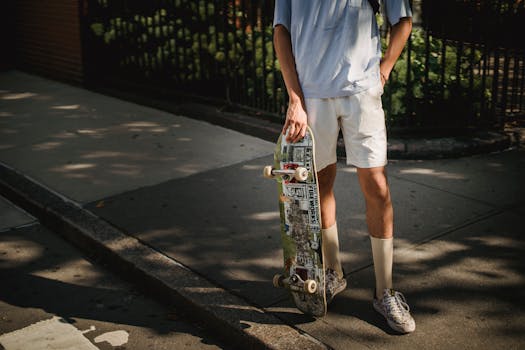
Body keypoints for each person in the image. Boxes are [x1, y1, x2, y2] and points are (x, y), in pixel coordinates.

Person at [273, 0, 415, 333]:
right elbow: (282, 31)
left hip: (361, 92)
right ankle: (334, 273)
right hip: (312, 96)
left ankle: (385, 292)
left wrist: (385, 68)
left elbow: (403, 20)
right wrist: (295, 98)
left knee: (377, 187)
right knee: (320, 187)